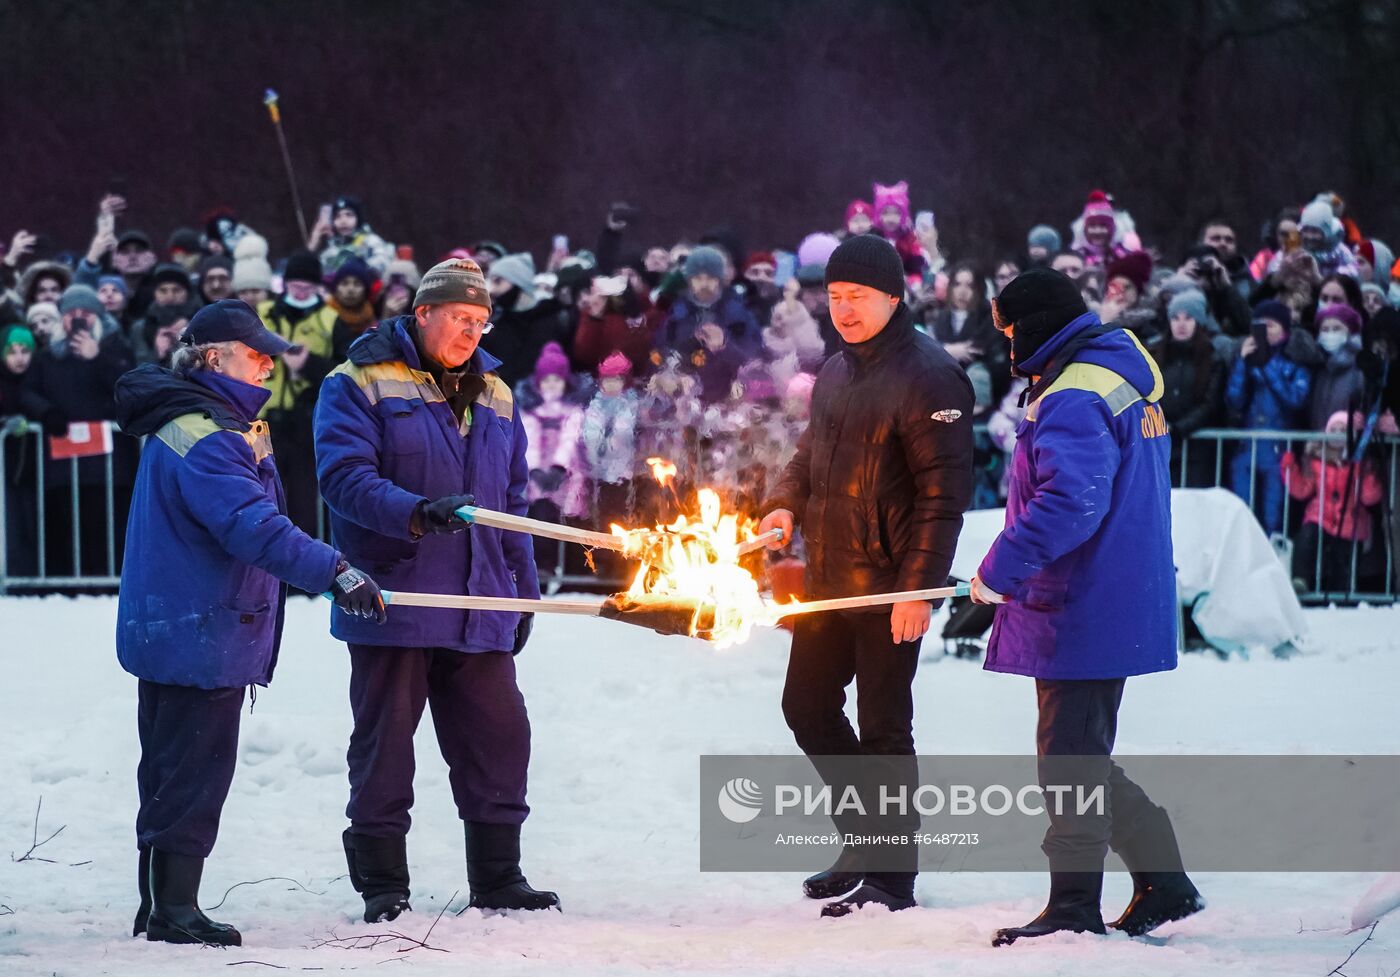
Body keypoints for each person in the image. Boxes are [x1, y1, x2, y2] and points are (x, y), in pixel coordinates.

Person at [113, 299, 385, 946]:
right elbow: (253, 526)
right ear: (213, 357)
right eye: (254, 351)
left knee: (169, 768)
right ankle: (174, 909)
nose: (268, 362)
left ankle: (159, 901)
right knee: (192, 772)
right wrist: (335, 570)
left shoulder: (201, 421)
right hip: (202, 627)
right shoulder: (207, 435)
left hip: (178, 622)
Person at [314, 258, 557, 923]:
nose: (471, 332)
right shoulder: (357, 380)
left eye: (481, 322)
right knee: (386, 745)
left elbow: (511, 499)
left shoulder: (499, 392)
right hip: (398, 596)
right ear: (422, 313)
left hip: (479, 601)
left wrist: (523, 588)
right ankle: (383, 882)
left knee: (501, 737)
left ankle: (499, 875)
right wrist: (419, 511)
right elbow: (343, 478)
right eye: (459, 318)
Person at [970, 268, 1203, 946]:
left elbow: (1071, 501)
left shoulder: (1074, 391)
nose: (1006, 342)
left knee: (1069, 758)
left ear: (1036, 325)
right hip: (1111, 593)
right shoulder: (1110, 366)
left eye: (1009, 329)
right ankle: (1165, 878)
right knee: (1080, 752)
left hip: (1086, 599)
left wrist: (998, 570)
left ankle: (1074, 905)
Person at [758, 235, 973, 918]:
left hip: (889, 585)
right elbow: (807, 453)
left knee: (884, 727)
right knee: (807, 707)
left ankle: (893, 875)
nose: (843, 310)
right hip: (827, 575)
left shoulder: (931, 376)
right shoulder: (836, 371)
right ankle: (862, 838)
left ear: (894, 295)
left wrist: (919, 588)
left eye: (857, 297)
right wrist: (785, 501)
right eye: (836, 298)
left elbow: (944, 496)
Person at [257, 251, 338, 536]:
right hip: (263, 422)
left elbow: (343, 370)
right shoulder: (263, 313)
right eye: (295, 285)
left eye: (307, 286)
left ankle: (301, 574)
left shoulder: (331, 319)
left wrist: (308, 365)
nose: (301, 291)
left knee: (304, 503)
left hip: (306, 425)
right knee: (263, 496)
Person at [1226, 300, 1313, 534]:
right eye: (1260, 325)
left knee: (1273, 516)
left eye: (1271, 325)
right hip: (1247, 447)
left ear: (1284, 331)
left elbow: (1295, 400)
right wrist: (1243, 365)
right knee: (1240, 513)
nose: (1264, 330)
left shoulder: (1296, 365)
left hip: (1277, 451)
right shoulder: (1245, 360)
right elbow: (1234, 400)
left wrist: (1267, 365)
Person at [1282, 411, 1385, 593]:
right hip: (1320, 515)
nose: (1337, 434)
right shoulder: (1316, 460)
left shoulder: (1359, 462)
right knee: (1305, 540)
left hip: (1350, 520)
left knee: (1343, 563)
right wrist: (1289, 468)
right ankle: (1300, 579)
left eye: (1343, 430)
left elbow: (1369, 498)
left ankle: (1341, 598)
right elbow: (1302, 489)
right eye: (1334, 429)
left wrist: (1369, 474)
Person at [1152, 289, 1226, 487]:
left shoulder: (1212, 358)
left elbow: (1211, 402)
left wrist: (1179, 428)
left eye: (1188, 318)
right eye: (1175, 318)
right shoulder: (1155, 355)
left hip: (1197, 449)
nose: (1181, 324)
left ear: (1199, 322)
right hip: (1161, 446)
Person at [655, 246, 761, 360]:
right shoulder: (676, 314)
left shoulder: (738, 314)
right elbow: (659, 352)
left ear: (720, 280)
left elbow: (753, 356)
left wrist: (725, 344)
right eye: (698, 278)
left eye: (710, 278)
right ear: (689, 281)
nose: (704, 284)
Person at [1308, 303, 1365, 430]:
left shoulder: (1361, 366)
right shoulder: (1316, 364)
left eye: (1336, 328)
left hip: (1349, 443)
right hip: (1317, 444)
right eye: (1325, 329)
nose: (1330, 334)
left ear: (1350, 332)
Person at [310, 195, 395, 275]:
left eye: (349, 215)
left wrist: (357, 270)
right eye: (337, 216)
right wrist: (313, 242)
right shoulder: (331, 251)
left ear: (358, 218)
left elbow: (383, 261)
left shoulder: (371, 241)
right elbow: (307, 271)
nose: (343, 221)